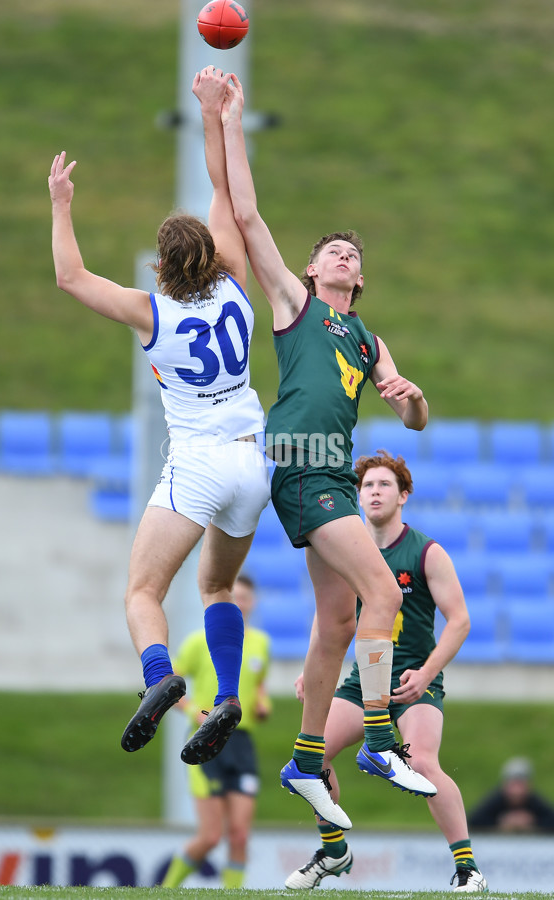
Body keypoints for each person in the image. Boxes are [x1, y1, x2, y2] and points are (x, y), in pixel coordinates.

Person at [216, 71, 436, 830]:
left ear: (360, 277)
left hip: (333, 471)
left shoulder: (369, 337)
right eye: (331, 250)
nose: (342, 255)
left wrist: (410, 399)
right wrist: (228, 118)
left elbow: (414, 420)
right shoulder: (295, 305)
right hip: (304, 465)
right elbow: (245, 214)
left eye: (350, 253)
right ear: (311, 271)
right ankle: (377, 738)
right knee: (385, 595)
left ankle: (307, 760)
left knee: (338, 624)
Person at [48, 65, 270, 766]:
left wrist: (61, 203)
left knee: (144, 591)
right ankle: (228, 695)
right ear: (208, 251)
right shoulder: (237, 281)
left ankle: (159, 677)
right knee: (217, 585)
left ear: (161, 267)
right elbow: (225, 192)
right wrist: (214, 113)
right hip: (252, 461)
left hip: (199, 464)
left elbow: (70, 278)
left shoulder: (152, 311)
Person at [286, 451, 487, 893]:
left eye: (383, 485)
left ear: (403, 496)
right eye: (367, 486)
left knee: (423, 763)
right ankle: (334, 851)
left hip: (415, 680)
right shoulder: (347, 551)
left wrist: (427, 672)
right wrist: (313, 671)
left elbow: (460, 621)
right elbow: (330, 619)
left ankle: (468, 868)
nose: (373, 492)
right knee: (309, 759)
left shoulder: (427, 552)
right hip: (364, 683)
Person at [161, 573, 271, 889]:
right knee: (211, 836)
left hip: (241, 742)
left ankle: (232, 894)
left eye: (246, 597)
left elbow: (258, 684)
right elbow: (169, 686)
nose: (241, 603)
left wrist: (262, 703)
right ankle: (164, 891)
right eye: (234, 596)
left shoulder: (261, 644)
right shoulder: (199, 641)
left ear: (252, 603)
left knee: (239, 833)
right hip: (205, 738)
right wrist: (194, 709)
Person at [468, 756, 554, 833]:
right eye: (513, 784)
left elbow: (550, 820)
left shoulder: (535, 801)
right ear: (504, 785)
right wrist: (500, 823)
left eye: (520, 784)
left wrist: (533, 823)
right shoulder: (496, 800)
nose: (516, 791)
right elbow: (473, 822)